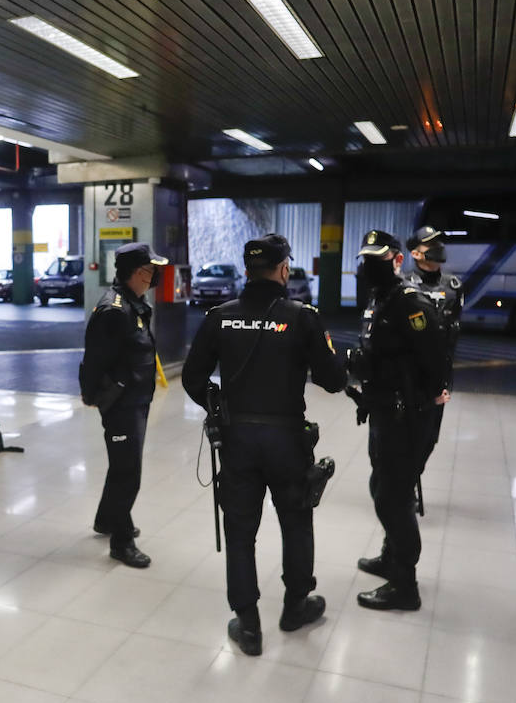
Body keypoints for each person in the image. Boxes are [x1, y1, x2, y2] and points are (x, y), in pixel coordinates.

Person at [182, 234, 347, 655]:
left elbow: (192, 378)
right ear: (284, 269)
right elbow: (334, 380)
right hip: (287, 440)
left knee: (240, 533)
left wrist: (218, 411)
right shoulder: (302, 317)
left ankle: (249, 624)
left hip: (238, 440)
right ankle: (295, 607)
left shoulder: (220, 316)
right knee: (296, 522)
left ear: (247, 270)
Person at [348, 230, 447, 611]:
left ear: (397, 259)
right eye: (366, 260)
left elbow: (434, 358)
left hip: (405, 415)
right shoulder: (381, 299)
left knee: (394, 497)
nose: (370, 266)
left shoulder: (409, 302)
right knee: (383, 486)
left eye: (378, 259)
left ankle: (405, 582)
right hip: (384, 411)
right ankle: (392, 557)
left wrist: (426, 401)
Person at [79, 242, 168, 568]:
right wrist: (91, 395)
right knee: (128, 472)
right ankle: (121, 541)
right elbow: (94, 359)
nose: (154, 276)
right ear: (136, 272)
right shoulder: (115, 311)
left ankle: (107, 519)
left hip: (136, 399)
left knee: (122, 465)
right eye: (150, 270)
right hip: (122, 404)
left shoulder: (135, 305)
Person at [403, 225, 462, 473]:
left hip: (438, 373)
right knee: (404, 433)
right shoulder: (403, 284)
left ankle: (412, 475)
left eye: (439, 245)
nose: (438, 250)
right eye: (431, 246)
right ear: (416, 254)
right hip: (408, 371)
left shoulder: (453, 286)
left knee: (429, 437)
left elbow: (454, 329)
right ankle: (400, 484)